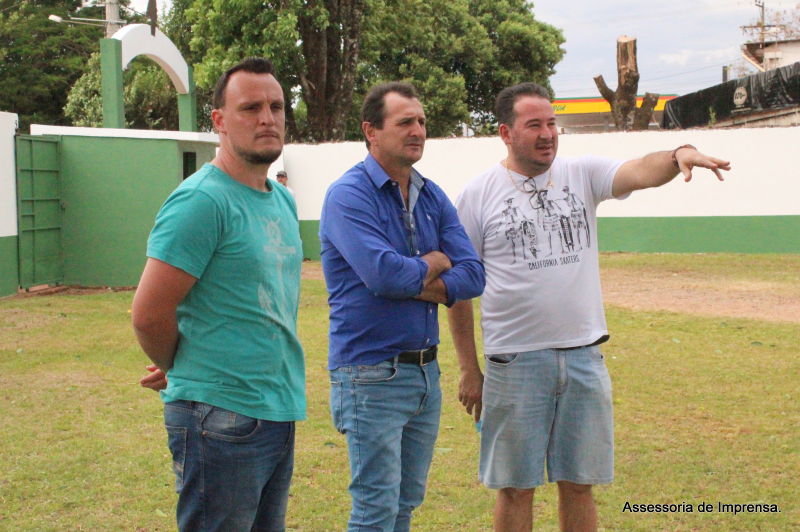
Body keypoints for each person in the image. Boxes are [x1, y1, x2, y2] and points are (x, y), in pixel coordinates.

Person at [448, 82, 730, 532]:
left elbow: (640, 169)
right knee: (516, 488)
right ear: (505, 132)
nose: (548, 134)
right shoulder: (477, 195)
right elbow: (460, 290)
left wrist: (679, 153)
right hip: (514, 361)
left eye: (552, 123)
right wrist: (468, 368)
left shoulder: (581, 174)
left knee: (580, 484)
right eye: (534, 124)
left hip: (585, 358)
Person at [131, 57, 305, 532]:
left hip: (276, 407)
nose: (267, 118)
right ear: (219, 121)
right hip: (220, 417)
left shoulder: (282, 199)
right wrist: (180, 367)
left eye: (276, 106)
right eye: (250, 107)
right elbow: (148, 313)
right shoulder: (202, 200)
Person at [319, 82, 485, 532]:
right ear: (371, 131)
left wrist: (406, 276)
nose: (418, 130)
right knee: (375, 510)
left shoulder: (430, 195)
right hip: (370, 374)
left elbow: (474, 275)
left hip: (424, 375)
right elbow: (384, 276)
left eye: (422, 121)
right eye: (405, 121)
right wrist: (435, 260)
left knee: (405, 504)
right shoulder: (348, 195)